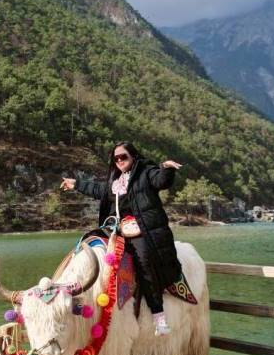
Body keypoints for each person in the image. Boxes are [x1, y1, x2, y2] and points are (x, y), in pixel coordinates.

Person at [60, 141, 182, 336]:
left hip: (140, 229)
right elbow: (97, 189)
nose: (119, 161)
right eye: (115, 158)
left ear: (133, 156)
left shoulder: (145, 172)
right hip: (114, 229)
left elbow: (160, 181)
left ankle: (158, 317)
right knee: (87, 244)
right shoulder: (114, 181)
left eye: (123, 156)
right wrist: (76, 184)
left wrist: (166, 169)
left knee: (144, 262)